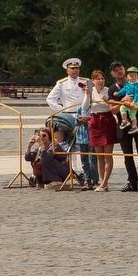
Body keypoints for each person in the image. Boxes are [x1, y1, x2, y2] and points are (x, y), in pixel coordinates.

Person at [47, 57, 95, 188]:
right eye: (72, 69)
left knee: (84, 146)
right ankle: (71, 172)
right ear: (67, 70)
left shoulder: (86, 82)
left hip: (83, 116)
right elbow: (50, 99)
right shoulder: (61, 83)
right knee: (68, 146)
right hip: (68, 117)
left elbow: (92, 99)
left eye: (77, 68)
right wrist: (62, 109)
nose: (75, 70)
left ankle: (88, 175)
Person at [109, 64, 138, 192]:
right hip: (123, 124)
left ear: (125, 71)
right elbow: (112, 109)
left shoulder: (136, 84)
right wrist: (123, 101)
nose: (119, 72)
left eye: (121, 69)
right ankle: (132, 182)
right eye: (116, 71)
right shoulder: (112, 89)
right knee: (127, 155)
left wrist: (135, 105)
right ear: (112, 74)